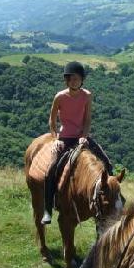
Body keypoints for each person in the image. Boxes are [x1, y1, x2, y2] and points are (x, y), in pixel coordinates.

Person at [41, 61, 100, 225]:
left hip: (81, 137)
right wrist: (55, 138)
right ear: (66, 80)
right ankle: (47, 209)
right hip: (65, 137)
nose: (74, 81)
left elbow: (87, 119)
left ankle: (112, 199)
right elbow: (52, 121)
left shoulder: (87, 95)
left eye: (77, 78)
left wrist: (84, 135)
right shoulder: (59, 97)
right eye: (70, 79)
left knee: (105, 162)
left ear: (82, 79)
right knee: (50, 171)